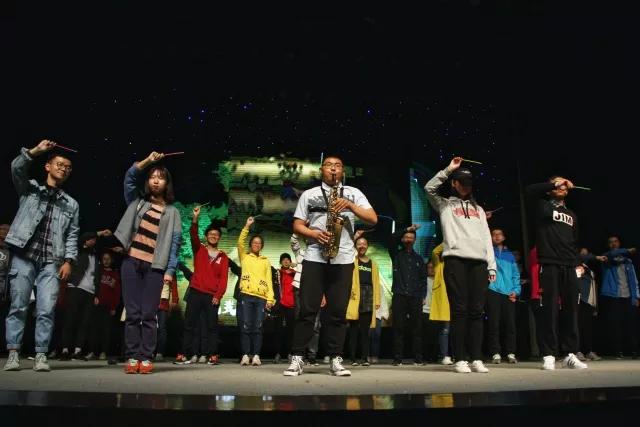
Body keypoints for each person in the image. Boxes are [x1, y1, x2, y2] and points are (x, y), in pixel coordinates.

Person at [284, 155, 377, 377]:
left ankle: (336, 359)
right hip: (315, 257)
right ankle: (297, 358)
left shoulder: (353, 193)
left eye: (337, 166)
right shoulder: (309, 194)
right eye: (329, 165)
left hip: (343, 259)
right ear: (321, 170)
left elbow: (373, 219)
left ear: (343, 171)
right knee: (307, 310)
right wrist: (313, 233)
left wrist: (350, 205)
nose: (333, 169)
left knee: (338, 312)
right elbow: (297, 225)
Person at [4, 140, 80, 372]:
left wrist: (69, 261)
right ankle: (14, 353)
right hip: (24, 255)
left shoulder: (71, 204)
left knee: (46, 309)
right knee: (18, 306)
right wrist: (35, 151)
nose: (64, 169)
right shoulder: (30, 190)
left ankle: (41, 354)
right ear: (48, 166)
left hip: (51, 260)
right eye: (59, 164)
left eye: (68, 167)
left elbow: (72, 234)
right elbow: (17, 168)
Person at [425, 157, 495, 374]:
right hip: (455, 260)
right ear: (454, 183)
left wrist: (491, 265)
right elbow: (429, 188)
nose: (466, 187)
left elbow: (487, 237)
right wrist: (449, 169)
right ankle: (460, 359)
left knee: (477, 312)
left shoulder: (479, 209)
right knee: (459, 311)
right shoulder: (445, 205)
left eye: (469, 184)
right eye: (462, 182)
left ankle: (476, 358)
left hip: (479, 262)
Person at [113, 151, 182, 374]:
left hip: (155, 267)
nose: (155, 181)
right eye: (152, 177)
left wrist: (169, 271)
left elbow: (174, 244)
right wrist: (148, 161)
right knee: (133, 313)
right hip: (131, 262)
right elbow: (129, 177)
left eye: (160, 178)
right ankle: (133, 356)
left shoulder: (173, 212)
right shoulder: (137, 202)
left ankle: (145, 356)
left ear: (167, 183)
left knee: (149, 314)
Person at [526, 175, 587, 370]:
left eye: (564, 185)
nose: (562, 186)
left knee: (571, 311)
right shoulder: (542, 206)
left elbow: (573, 241)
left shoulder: (572, 214)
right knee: (549, 310)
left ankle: (570, 354)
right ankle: (549, 354)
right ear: (550, 188)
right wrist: (555, 183)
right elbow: (530, 190)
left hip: (569, 266)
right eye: (558, 184)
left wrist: (578, 264)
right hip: (549, 264)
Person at [174, 206, 229, 365]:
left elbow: (223, 279)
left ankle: (212, 354)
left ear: (219, 238)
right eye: (211, 234)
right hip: (196, 292)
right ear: (206, 236)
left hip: (211, 295)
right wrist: (195, 218)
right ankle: (184, 354)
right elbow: (193, 234)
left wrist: (218, 296)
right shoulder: (200, 249)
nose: (213, 236)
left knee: (211, 326)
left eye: (216, 235)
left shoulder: (223, 256)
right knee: (189, 325)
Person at [60, 229, 112, 360]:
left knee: (84, 322)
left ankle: (78, 350)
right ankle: (65, 349)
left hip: (90, 292)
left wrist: (96, 295)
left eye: (94, 240)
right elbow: (82, 238)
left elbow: (98, 277)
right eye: (91, 239)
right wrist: (99, 233)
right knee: (70, 319)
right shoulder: (79, 250)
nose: (93, 241)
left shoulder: (96, 256)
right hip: (76, 288)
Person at [237, 216, 274, 366]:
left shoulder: (266, 261)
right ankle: (245, 355)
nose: (256, 244)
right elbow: (240, 242)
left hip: (261, 297)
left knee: (258, 326)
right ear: (251, 244)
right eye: (254, 242)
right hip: (246, 295)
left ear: (261, 246)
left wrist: (270, 299)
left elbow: (269, 280)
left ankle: (256, 355)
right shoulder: (244, 257)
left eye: (259, 243)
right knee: (246, 325)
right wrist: (247, 226)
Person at [388, 224, 427, 366]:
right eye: (406, 237)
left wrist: (423, 295)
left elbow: (423, 279)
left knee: (417, 329)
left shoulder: (419, 259)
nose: (409, 239)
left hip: (415, 297)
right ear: (402, 239)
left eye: (411, 237)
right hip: (400, 295)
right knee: (398, 327)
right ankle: (397, 358)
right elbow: (392, 238)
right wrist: (407, 229)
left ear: (415, 240)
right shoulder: (396, 254)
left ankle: (418, 358)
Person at [600, 236, 639, 359]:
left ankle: (634, 350)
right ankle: (618, 351)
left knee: (631, 324)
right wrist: (627, 250)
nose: (613, 244)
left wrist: (636, 296)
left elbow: (634, 280)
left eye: (615, 241)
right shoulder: (606, 258)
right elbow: (612, 254)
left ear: (619, 243)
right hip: (613, 296)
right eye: (610, 242)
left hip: (628, 296)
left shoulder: (628, 261)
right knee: (615, 325)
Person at [487, 229, 520, 364]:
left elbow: (515, 275)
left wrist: (516, 291)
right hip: (493, 290)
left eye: (499, 234)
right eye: (493, 234)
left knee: (510, 324)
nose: (496, 236)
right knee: (494, 323)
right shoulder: (488, 252)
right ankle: (495, 352)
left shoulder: (510, 255)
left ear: (504, 237)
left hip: (508, 293)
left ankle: (510, 352)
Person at [346, 236, 380, 366]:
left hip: (368, 296)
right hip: (355, 297)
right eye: (359, 244)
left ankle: (364, 358)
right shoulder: (352, 261)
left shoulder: (373, 264)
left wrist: (377, 300)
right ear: (355, 246)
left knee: (365, 331)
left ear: (367, 246)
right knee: (353, 330)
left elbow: (376, 283)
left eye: (364, 244)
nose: (362, 246)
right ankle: (352, 358)